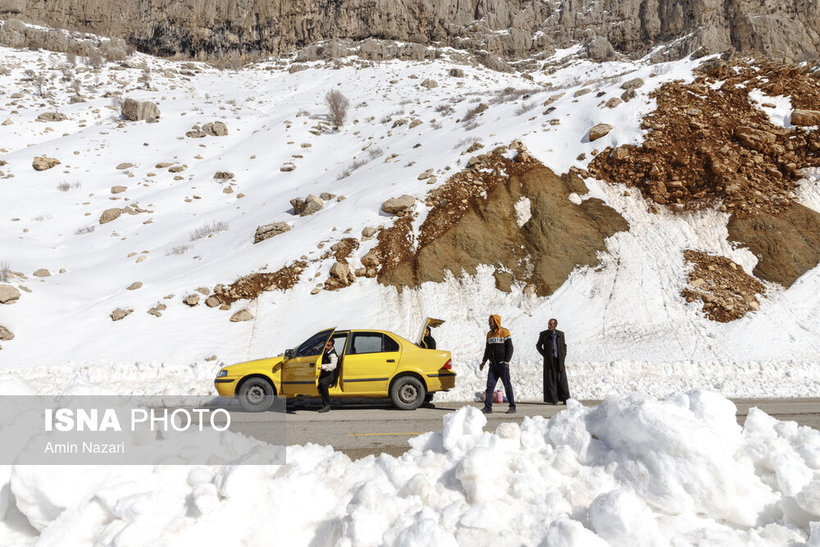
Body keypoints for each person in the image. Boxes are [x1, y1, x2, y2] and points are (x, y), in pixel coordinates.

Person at [479, 314, 516, 414]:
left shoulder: (505, 332)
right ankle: (488, 407)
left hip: (502, 365)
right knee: (490, 387)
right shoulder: (489, 334)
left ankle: (512, 406)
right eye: (489, 322)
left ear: (496, 322)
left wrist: (506, 361)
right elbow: (487, 349)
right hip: (493, 365)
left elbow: (510, 348)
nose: (489, 324)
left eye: (491, 322)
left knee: (507, 385)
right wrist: (483, 361)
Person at [536, 318, 569, 404]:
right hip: (549, 361)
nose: (549, 326)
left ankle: (565, 399)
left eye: (551, 324)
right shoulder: (543, 334)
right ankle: (554, 400)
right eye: (549, 324)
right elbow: (538, 346)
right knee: (551, 380)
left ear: (555, 325)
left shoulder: (561, 334)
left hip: (559, 360)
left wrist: (563, 354)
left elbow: (564, 345)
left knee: (562, 380)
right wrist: (545, 354)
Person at [317, 338, 338, 413]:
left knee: (323, 383)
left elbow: (333, 365)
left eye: (328, 345)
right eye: (326, 344)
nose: (326, 347)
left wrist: (323, 366)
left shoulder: (332, 354)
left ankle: (327, 405)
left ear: (332, 346)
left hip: (330, 374)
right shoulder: (325, 350)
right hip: (324, 373)